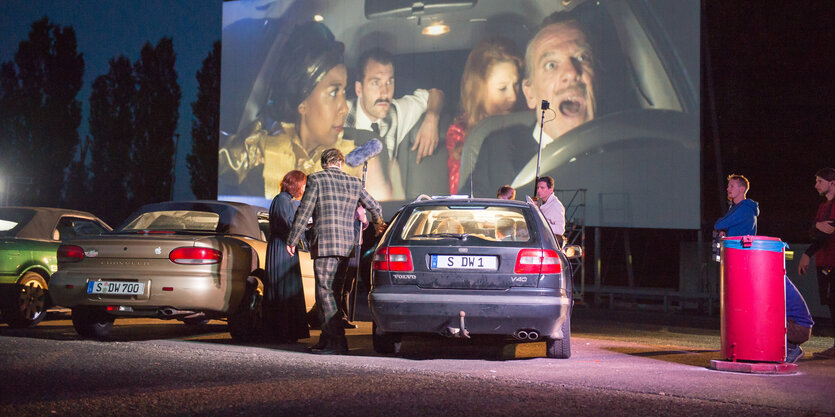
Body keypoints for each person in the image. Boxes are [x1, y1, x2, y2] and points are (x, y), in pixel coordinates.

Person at [217, 21, 360, 199]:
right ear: (302, 103)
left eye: (344, 92)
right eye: (333, 92)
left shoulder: (357, 154)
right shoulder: (259, 149)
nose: (345, 108)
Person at [469, 11, 596, 197]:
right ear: (530, 93)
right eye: (551, 65)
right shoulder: (498, 152)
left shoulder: (628, 148)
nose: (571, 72)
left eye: (582, 57)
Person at [285, 148, 382, 355]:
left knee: (324, 291)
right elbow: (375, 207)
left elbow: (305, 211)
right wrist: (377, 227)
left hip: (326, 245)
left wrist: (293, 239)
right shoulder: (355, 182)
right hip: (347, 247)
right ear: (340, 162)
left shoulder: (316, 179)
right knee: (334, 293)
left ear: (324, 163)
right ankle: (325, 338)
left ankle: (337, 341)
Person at [345, 47, 445, 199]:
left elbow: (436, 94)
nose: (384, 92)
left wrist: (432, 118)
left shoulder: (397, 112)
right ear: (359, 89)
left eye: (389, 82)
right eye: (375, 83)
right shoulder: (340, 114)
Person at [446, 39, 522, 194]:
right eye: (502, 88)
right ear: (478, 92)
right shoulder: (460, 133)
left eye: (516, 85)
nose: (513, 97)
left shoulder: (527, 125)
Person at [265, 170, 310, 342]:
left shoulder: (289, 201)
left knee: (289, 287)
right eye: (303, 185)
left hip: (287, 246)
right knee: (283, 287)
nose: (305, 189)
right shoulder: (282, 200)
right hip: (282, 247)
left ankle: (289, 332)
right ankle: (281, 332)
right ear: (296, 184)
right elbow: (285, 225)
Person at [798, 167, 835, 359]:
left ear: (832, 183)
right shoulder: (822, 207)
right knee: (830, 303)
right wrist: (817, 226)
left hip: (832, 261)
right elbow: (814, 231)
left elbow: (826, 232)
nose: (816, 185)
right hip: (824, 260)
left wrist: (807, 253)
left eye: (820, 181)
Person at [536, 176, 565, 245]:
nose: (538, 191)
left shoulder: (556, 205)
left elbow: (560, 230)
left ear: (550, 190)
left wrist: (543, 225)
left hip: (549, 244)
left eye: (542, 188)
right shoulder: (542, 203)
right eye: (538, 188)